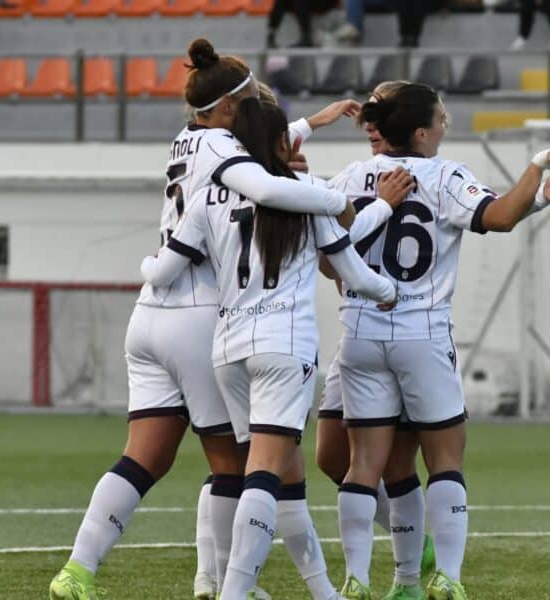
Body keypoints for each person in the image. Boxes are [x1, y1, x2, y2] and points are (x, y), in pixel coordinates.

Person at [47, 38, 359, 600]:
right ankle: (219, 584)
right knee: (239, 465)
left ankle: (78, 570)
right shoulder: (224, 148)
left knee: (145, 457)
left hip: (150, 317)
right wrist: (332, 197)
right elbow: (265, 181)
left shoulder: (186, 139)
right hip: (200, 315)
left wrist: (312, 123)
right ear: (230, 110)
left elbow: (261, 152)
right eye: (251, 102)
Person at [139, 96, 414, 600]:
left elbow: (163, 269)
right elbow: (351, 269)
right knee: (266, 472)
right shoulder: (305, 191)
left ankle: (320, 590)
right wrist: (389, 291)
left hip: (228, 348)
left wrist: (145, 265)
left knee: (281, 474)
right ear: (284, 141)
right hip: (283, 346)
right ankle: (234, 591)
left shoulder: (208, 197)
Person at [330, 82, 550, 600]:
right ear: (421, 132)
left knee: (366, 464)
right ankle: (449, 577)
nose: (447, 125)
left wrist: (537, 202)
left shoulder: (350, 177)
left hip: (358, 330)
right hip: (421, 330)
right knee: (445, 459)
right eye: (441, 118)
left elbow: (330, 258)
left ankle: (357, 579)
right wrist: (535, 168)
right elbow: (500, 216)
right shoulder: (444, 176)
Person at [314, 79, 439, 599]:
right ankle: (412, 541)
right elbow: (327, 261)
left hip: (406, 330)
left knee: (394, 461)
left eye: (378, 114)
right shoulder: (349, 179)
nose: (369, 124)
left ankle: (408, 572)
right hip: (357, 332)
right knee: (330, 456)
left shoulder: (429, 176)